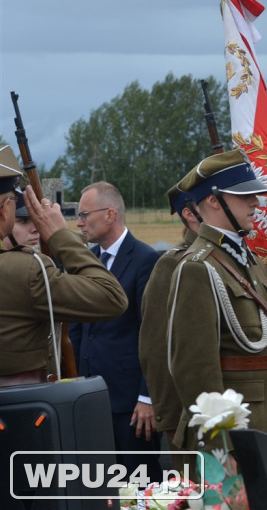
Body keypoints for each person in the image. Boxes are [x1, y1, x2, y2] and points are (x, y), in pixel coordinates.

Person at [166, 150, 267, 454]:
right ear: (213, 200)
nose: (256, 203)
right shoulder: (198, 268)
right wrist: (221, 447)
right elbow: (194, 370)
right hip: (236, 434)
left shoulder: (247, 260)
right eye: (244, 196)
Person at [0, 144, 128, 383]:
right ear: (5, 210)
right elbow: (111, 297)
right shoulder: (26, 270)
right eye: (22, 217)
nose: (34, 227)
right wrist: (60, 235)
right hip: (18, 409)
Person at [69, 181, 162, 479]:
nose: (79, 222)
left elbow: (154, 332)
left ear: (110, 214)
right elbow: (80, 327)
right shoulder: (89, 261)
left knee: (140, 483)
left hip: (131, 403)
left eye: (84, 215)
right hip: (92, 397)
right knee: (101, 486)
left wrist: (147, 398)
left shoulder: (146, 260)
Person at [138, 183, 201, 467]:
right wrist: (173, 420)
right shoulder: (172, 265)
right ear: (190, 214)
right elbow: (156, 346)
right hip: (190, 419)